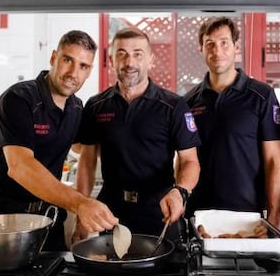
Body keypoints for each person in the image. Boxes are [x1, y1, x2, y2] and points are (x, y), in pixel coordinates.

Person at [0, 30, 118, 251]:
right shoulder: (19, 99)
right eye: (67, 60)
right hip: (6, 222)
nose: (73, 72)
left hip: (50, 219)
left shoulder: (76, 107)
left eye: (83, 66)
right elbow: (20, 166)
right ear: (53, 58)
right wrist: (81, 203)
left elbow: (84, 149)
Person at [74, 27, 200, 243]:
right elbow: (87, 162)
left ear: (150, 59)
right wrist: (80, 218)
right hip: (111, 214)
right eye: (121, 54)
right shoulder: (96, 106)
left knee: (164, 275)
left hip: (160, 213)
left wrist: (180, 192)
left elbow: (190, 161)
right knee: (112, 274)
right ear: (112, 60)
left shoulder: (173, 106)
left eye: (137, 54)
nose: (129, 62)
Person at [183, 16, 280, 227]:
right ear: (201, 49)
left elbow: (274, 161)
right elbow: (183, 159)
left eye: (224, 43)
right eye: (209, 44)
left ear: (236, 47)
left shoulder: (262, 95)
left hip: (248, 215)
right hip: (199, 214)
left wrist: (273, 217)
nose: (217, 51)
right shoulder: (189, 101)